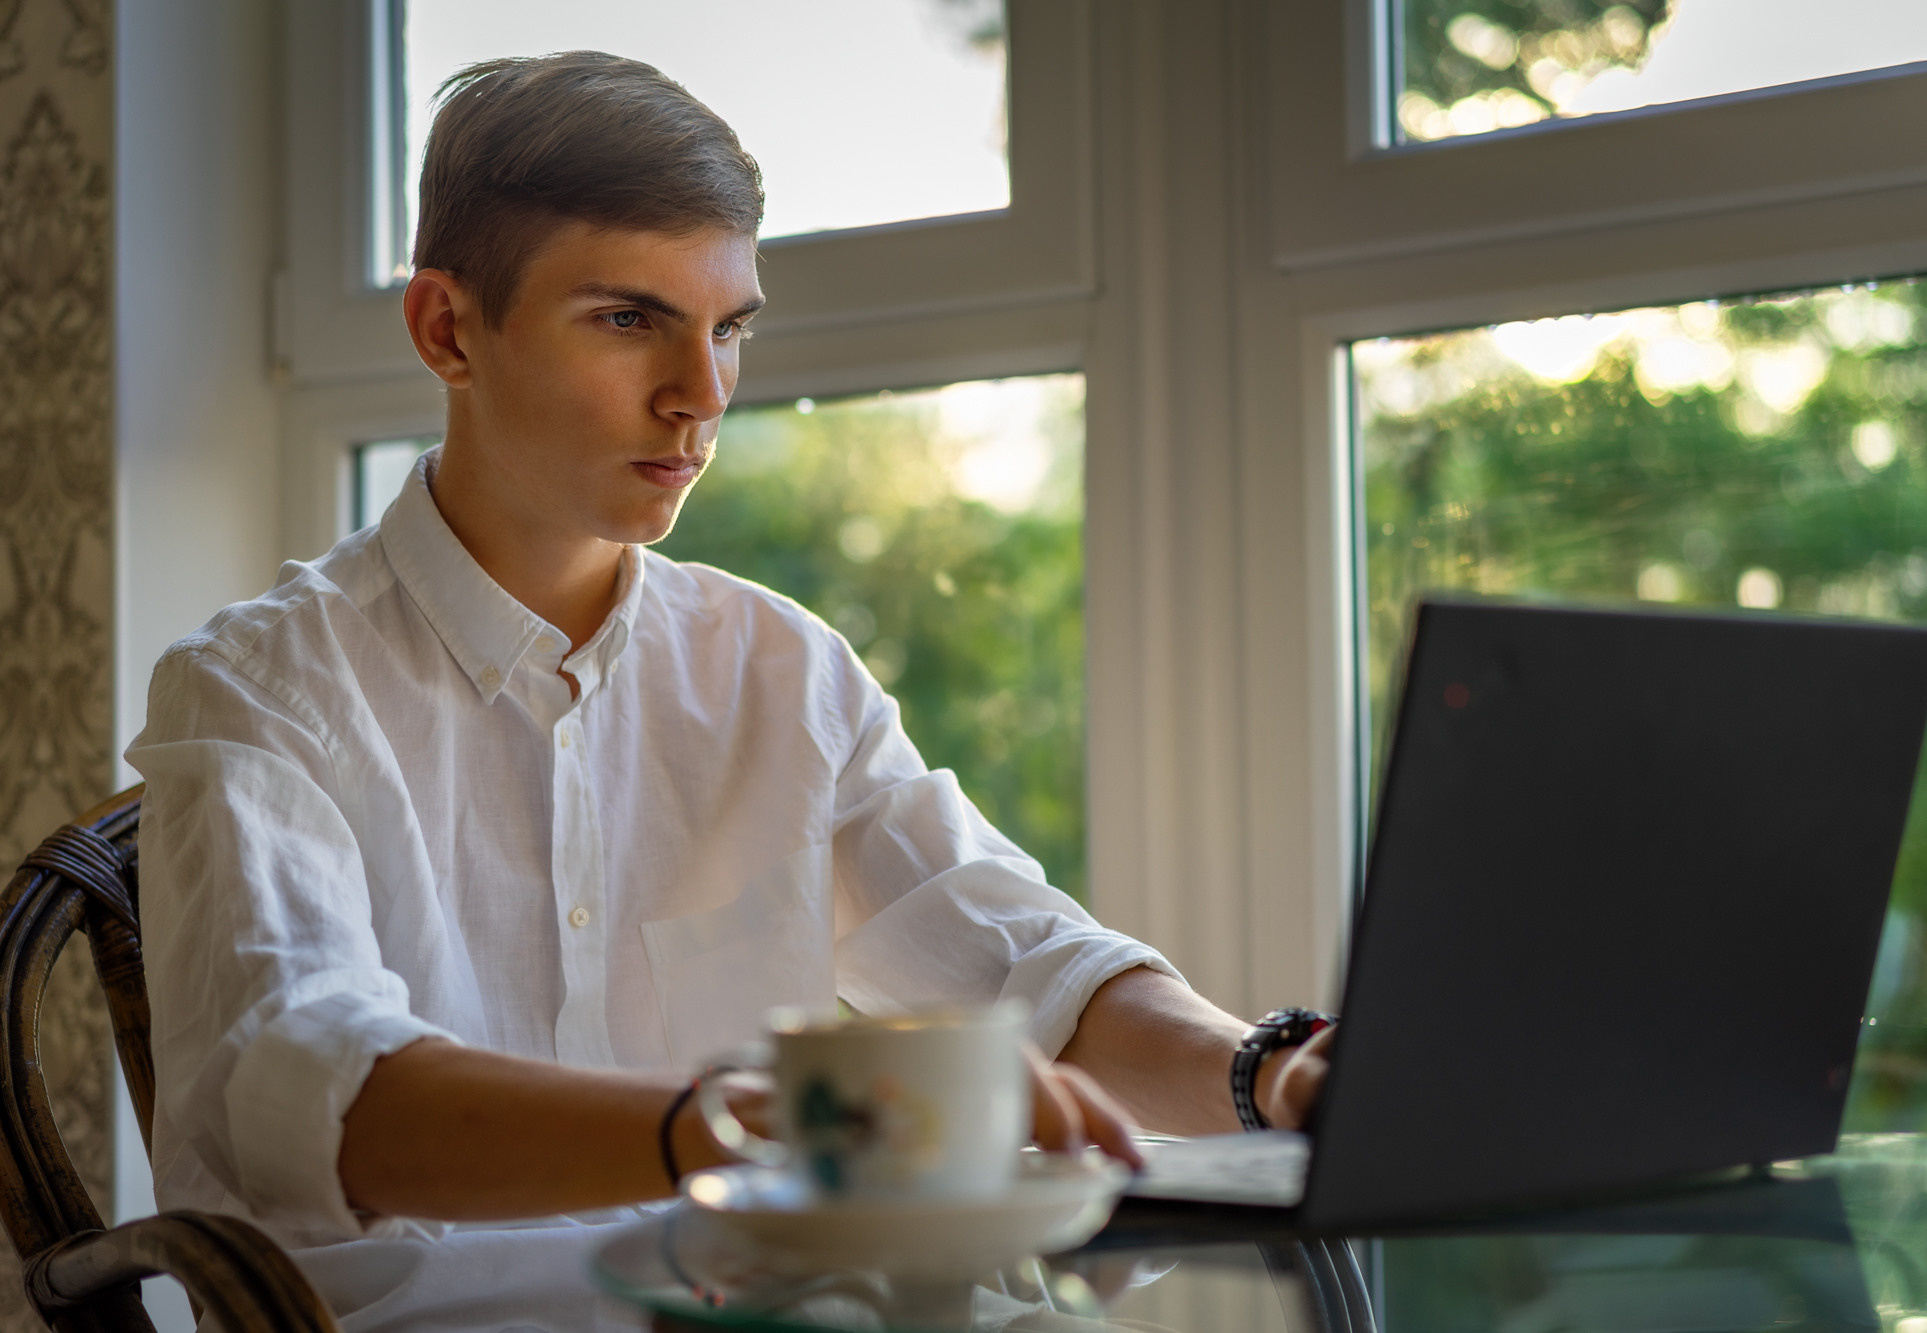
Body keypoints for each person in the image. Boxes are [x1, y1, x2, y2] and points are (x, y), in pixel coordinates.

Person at [127, 52, 1332, 1332]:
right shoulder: (259, 690)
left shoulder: (779, 668)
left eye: (730, 329)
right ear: (446, 328)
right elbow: (317, 1099)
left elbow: (1015, 959)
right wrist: (786, 1118)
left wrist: (1268, 1070)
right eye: (628, 319)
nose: (700, 398)